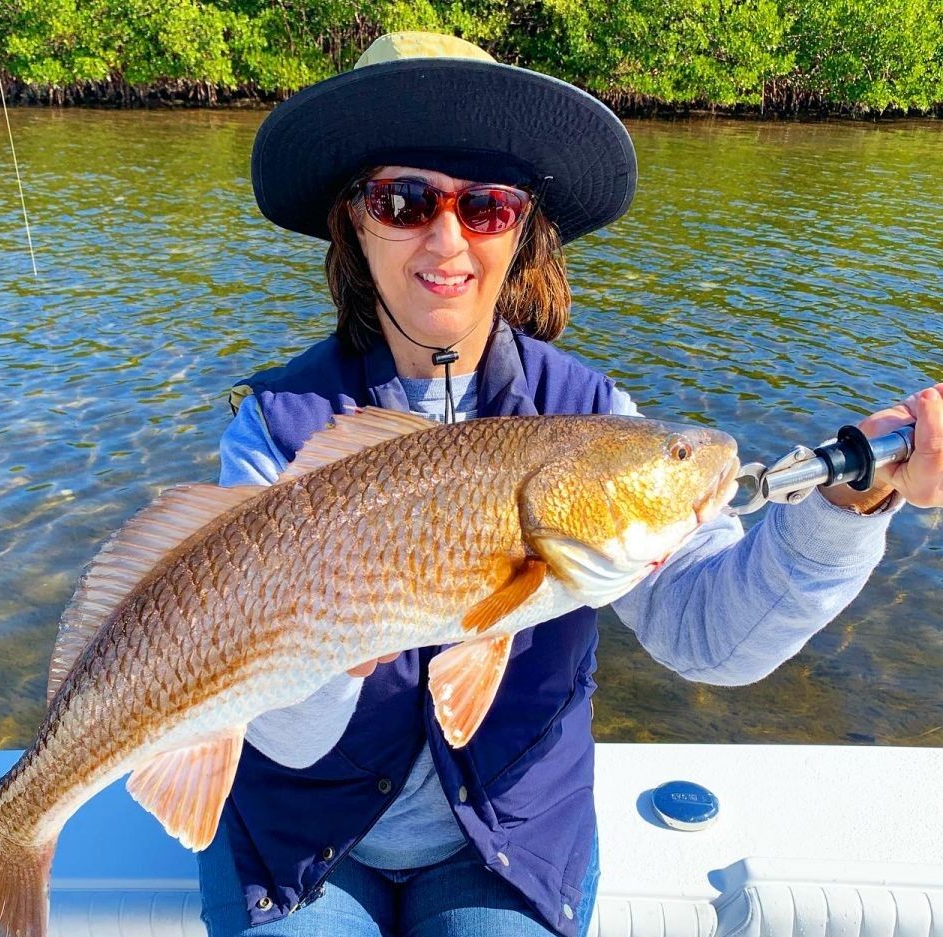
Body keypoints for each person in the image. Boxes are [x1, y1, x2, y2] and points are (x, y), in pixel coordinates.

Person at [197, 31, 943, 937]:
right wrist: (321, 642)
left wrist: (845, 503)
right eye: (402, 200)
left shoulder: (596, 416)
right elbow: (284, 735)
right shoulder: (274, 428)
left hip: (507, 843)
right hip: (301, 839)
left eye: (486, 205)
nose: (446, 238)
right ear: (354, 221)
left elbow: (708, 637)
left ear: (523, 233)